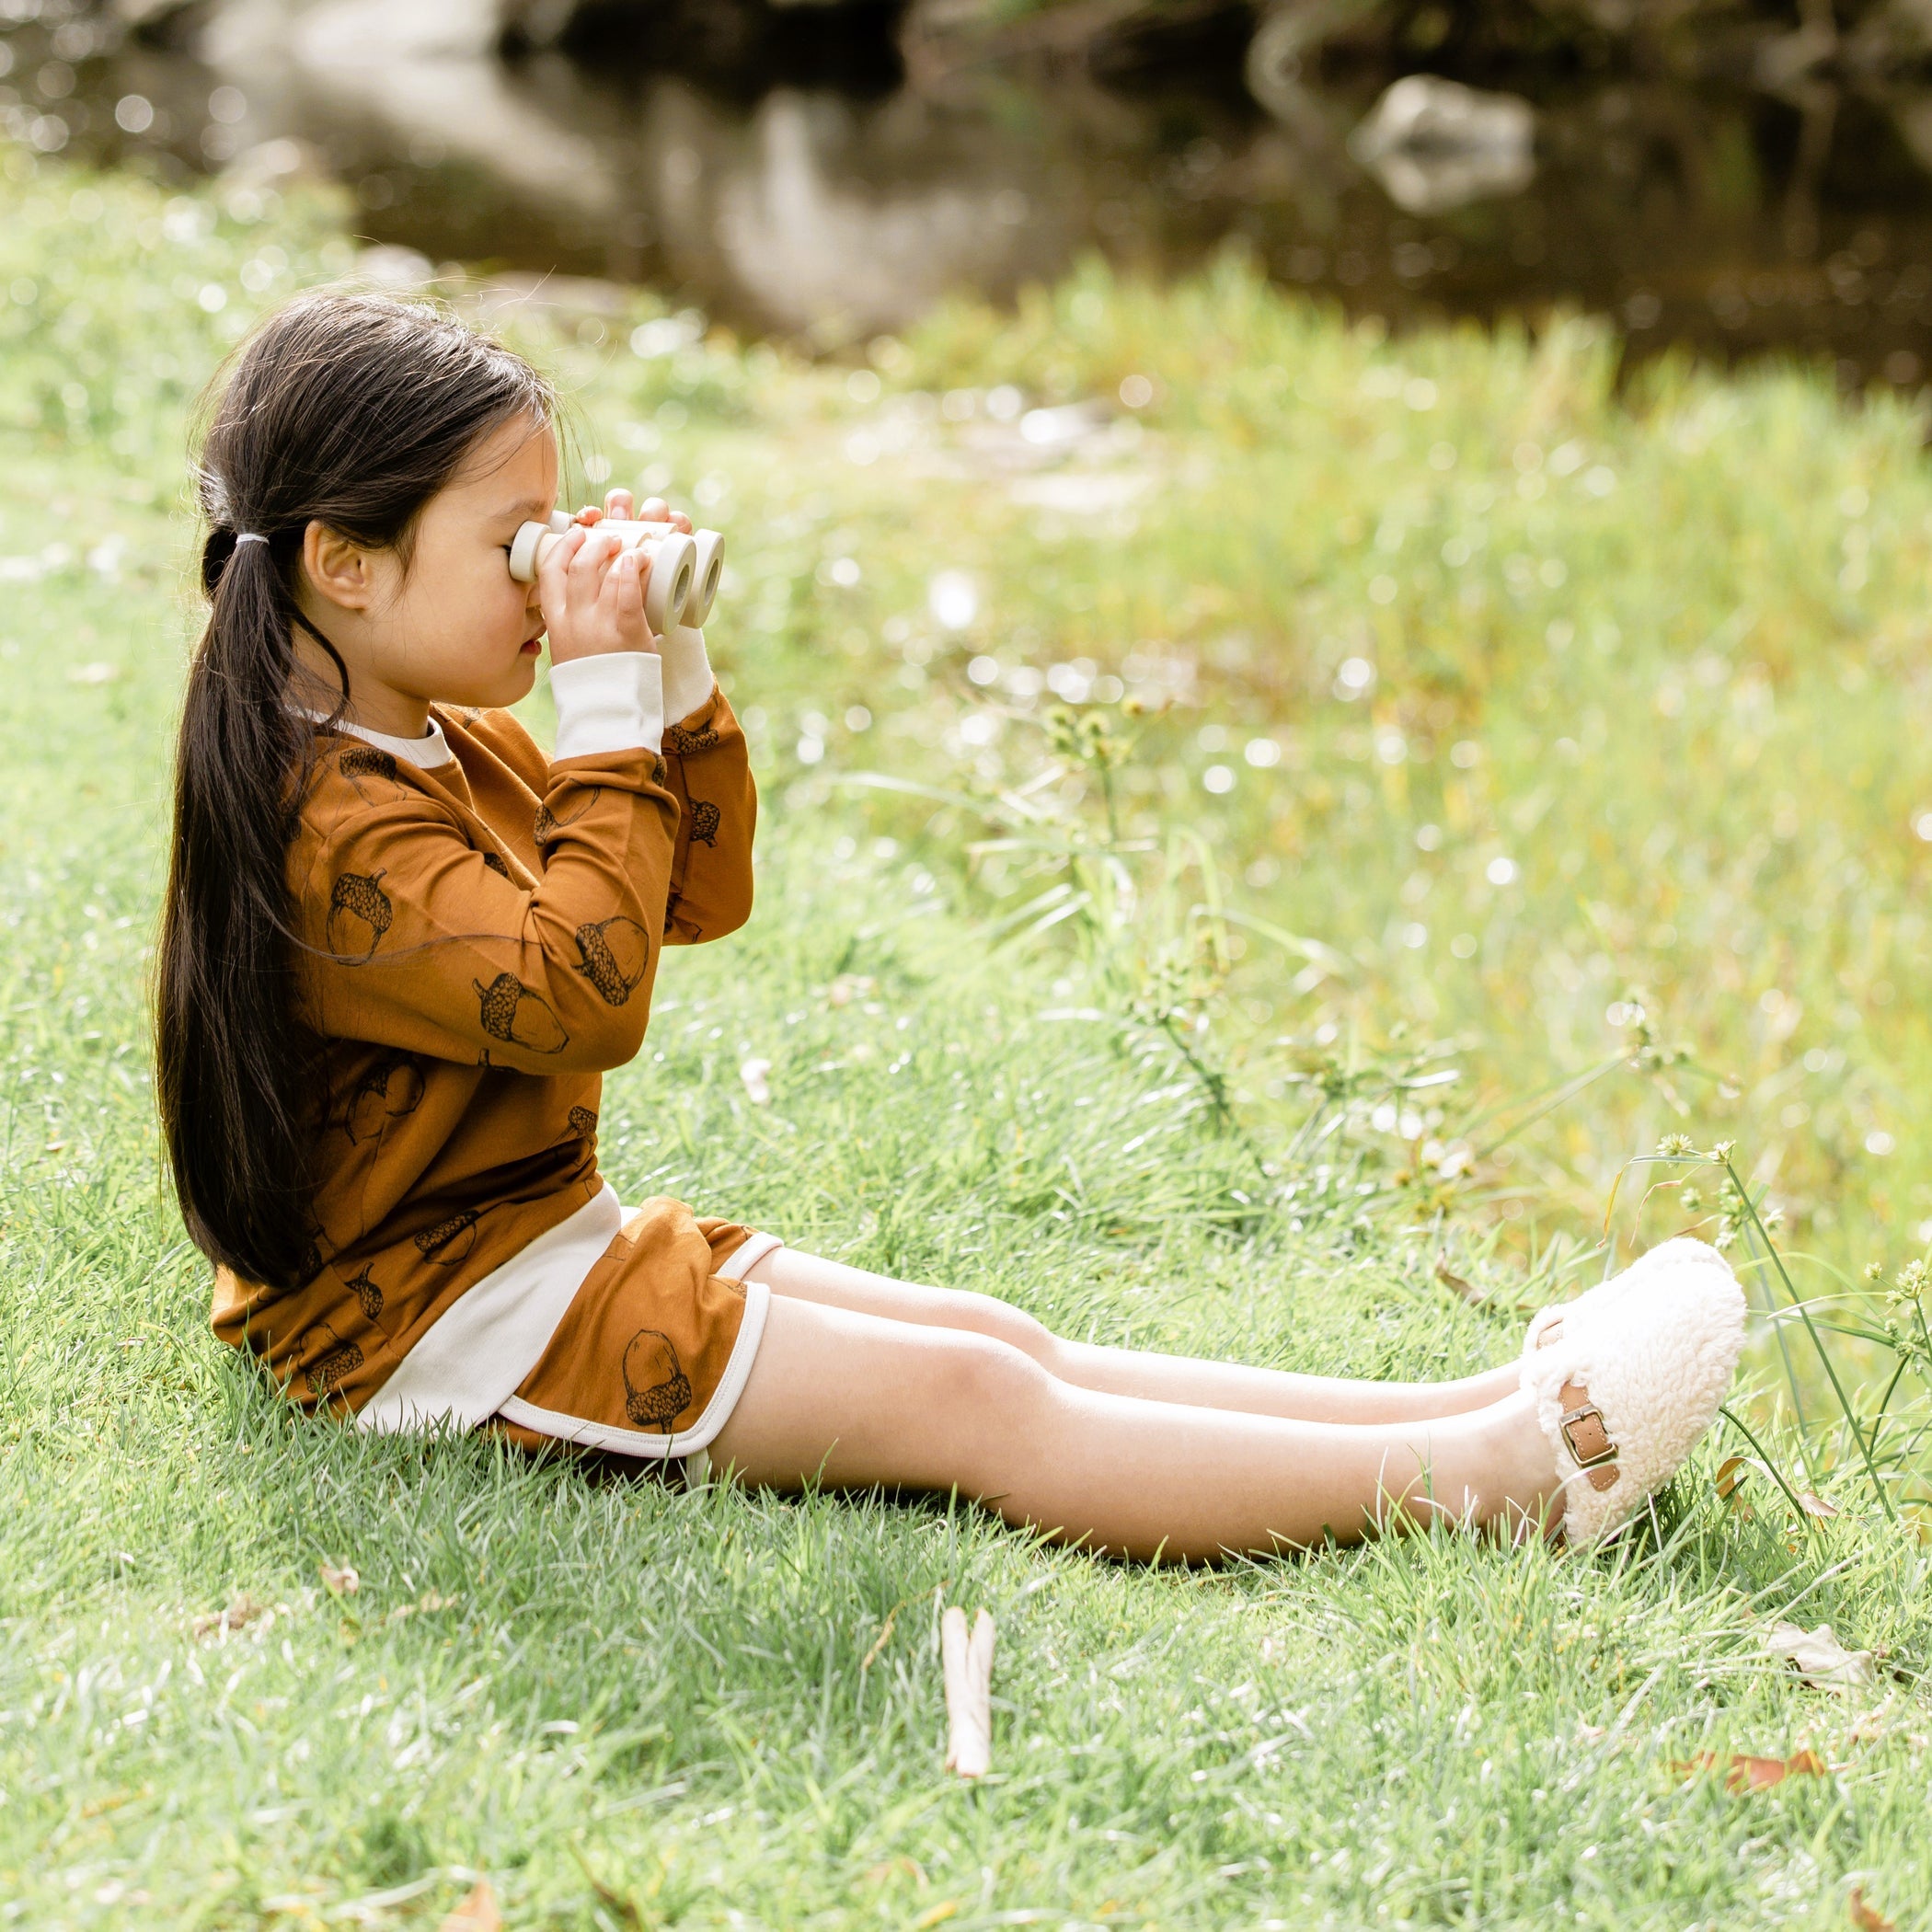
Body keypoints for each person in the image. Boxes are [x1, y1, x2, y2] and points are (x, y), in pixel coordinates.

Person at [156, 292, 1745, 1562]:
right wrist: (606, 701)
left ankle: (1479, 1409)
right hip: (434, 1332)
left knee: (998, 1336)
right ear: (345, 564)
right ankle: (1502, 1482)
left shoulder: (439, 738)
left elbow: (693, 898)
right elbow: (584, 998)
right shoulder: (328, 828)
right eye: (516, 543)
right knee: (978, 1404)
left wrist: (673, 671)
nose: (549, 571)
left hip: (529, 1250)